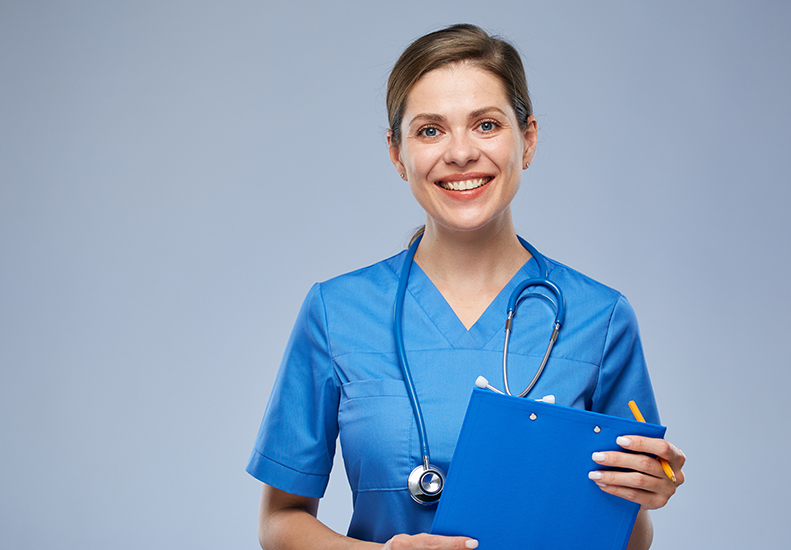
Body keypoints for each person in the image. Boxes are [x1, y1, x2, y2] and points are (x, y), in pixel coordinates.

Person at [248, 23, 685, 550]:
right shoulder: (336, 312)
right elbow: (279, 524)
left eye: (486, 125)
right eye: (430, 130)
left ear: (528, 139)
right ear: (396, 153)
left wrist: (644, 490)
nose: (459, 154)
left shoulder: (600, 318)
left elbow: (628, 537)